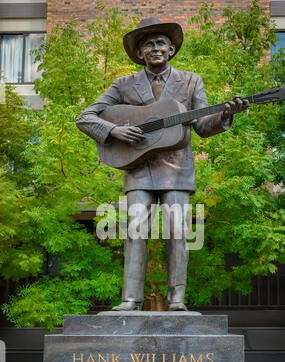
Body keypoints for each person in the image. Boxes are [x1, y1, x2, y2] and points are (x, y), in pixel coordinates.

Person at [76, 17, 249, 312]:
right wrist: (114, 131)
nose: (155, 48)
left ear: (171, 49)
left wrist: (224, 115)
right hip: (137, 167)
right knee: (134, 230)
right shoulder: (123, 84)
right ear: (140, 52)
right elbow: (85, 117)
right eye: (148, 45)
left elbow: (202, 127)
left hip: (177, 168)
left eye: (160, 44)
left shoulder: (191, 81)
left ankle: (177, 299)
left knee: (178, 231)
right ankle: (131, 299)